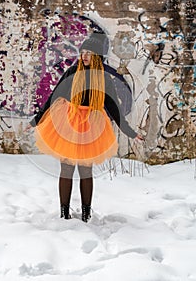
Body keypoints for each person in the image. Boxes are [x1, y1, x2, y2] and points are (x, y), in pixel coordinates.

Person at [28, 32, 144, 222]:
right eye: (83, 52)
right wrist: (36, 120)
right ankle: (64, 212)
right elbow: (54, 97)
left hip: (91, 126)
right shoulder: (72, 73)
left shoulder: (104, 79)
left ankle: (86, 213)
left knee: (85, 171)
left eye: (90, 53)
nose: (85, 56)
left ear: (97, 56)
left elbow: (114, 108)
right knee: (66, 169)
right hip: (69, 122)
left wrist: (130, 132)